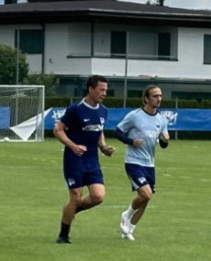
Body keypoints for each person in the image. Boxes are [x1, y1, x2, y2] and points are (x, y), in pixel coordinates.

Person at [53, 74, 115, 243]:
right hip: (74, 160)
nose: (104, 93)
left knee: (98, 196)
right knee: (75, 196)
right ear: (90, 89)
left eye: (106, 90)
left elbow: (99, 131)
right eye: (101, 90)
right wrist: (72, 145)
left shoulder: (103, 110)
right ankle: (63, 235)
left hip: (92, 161)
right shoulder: (76, 109)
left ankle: (70, 211)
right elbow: (58, 129)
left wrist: (103, 147)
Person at [114, 84, 170, 241]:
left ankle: (129, 229)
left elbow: (163, 145)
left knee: (147, 198)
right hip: (134, 162)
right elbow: (118, 132)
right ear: (146, 98)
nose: (159, 99)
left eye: (160, 96)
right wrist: (131, 141)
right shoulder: (134, 116)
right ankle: (127, 214)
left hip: (149, 164)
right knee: (145, 193)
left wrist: (165, 140)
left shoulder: (162, 120)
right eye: (155, 96)